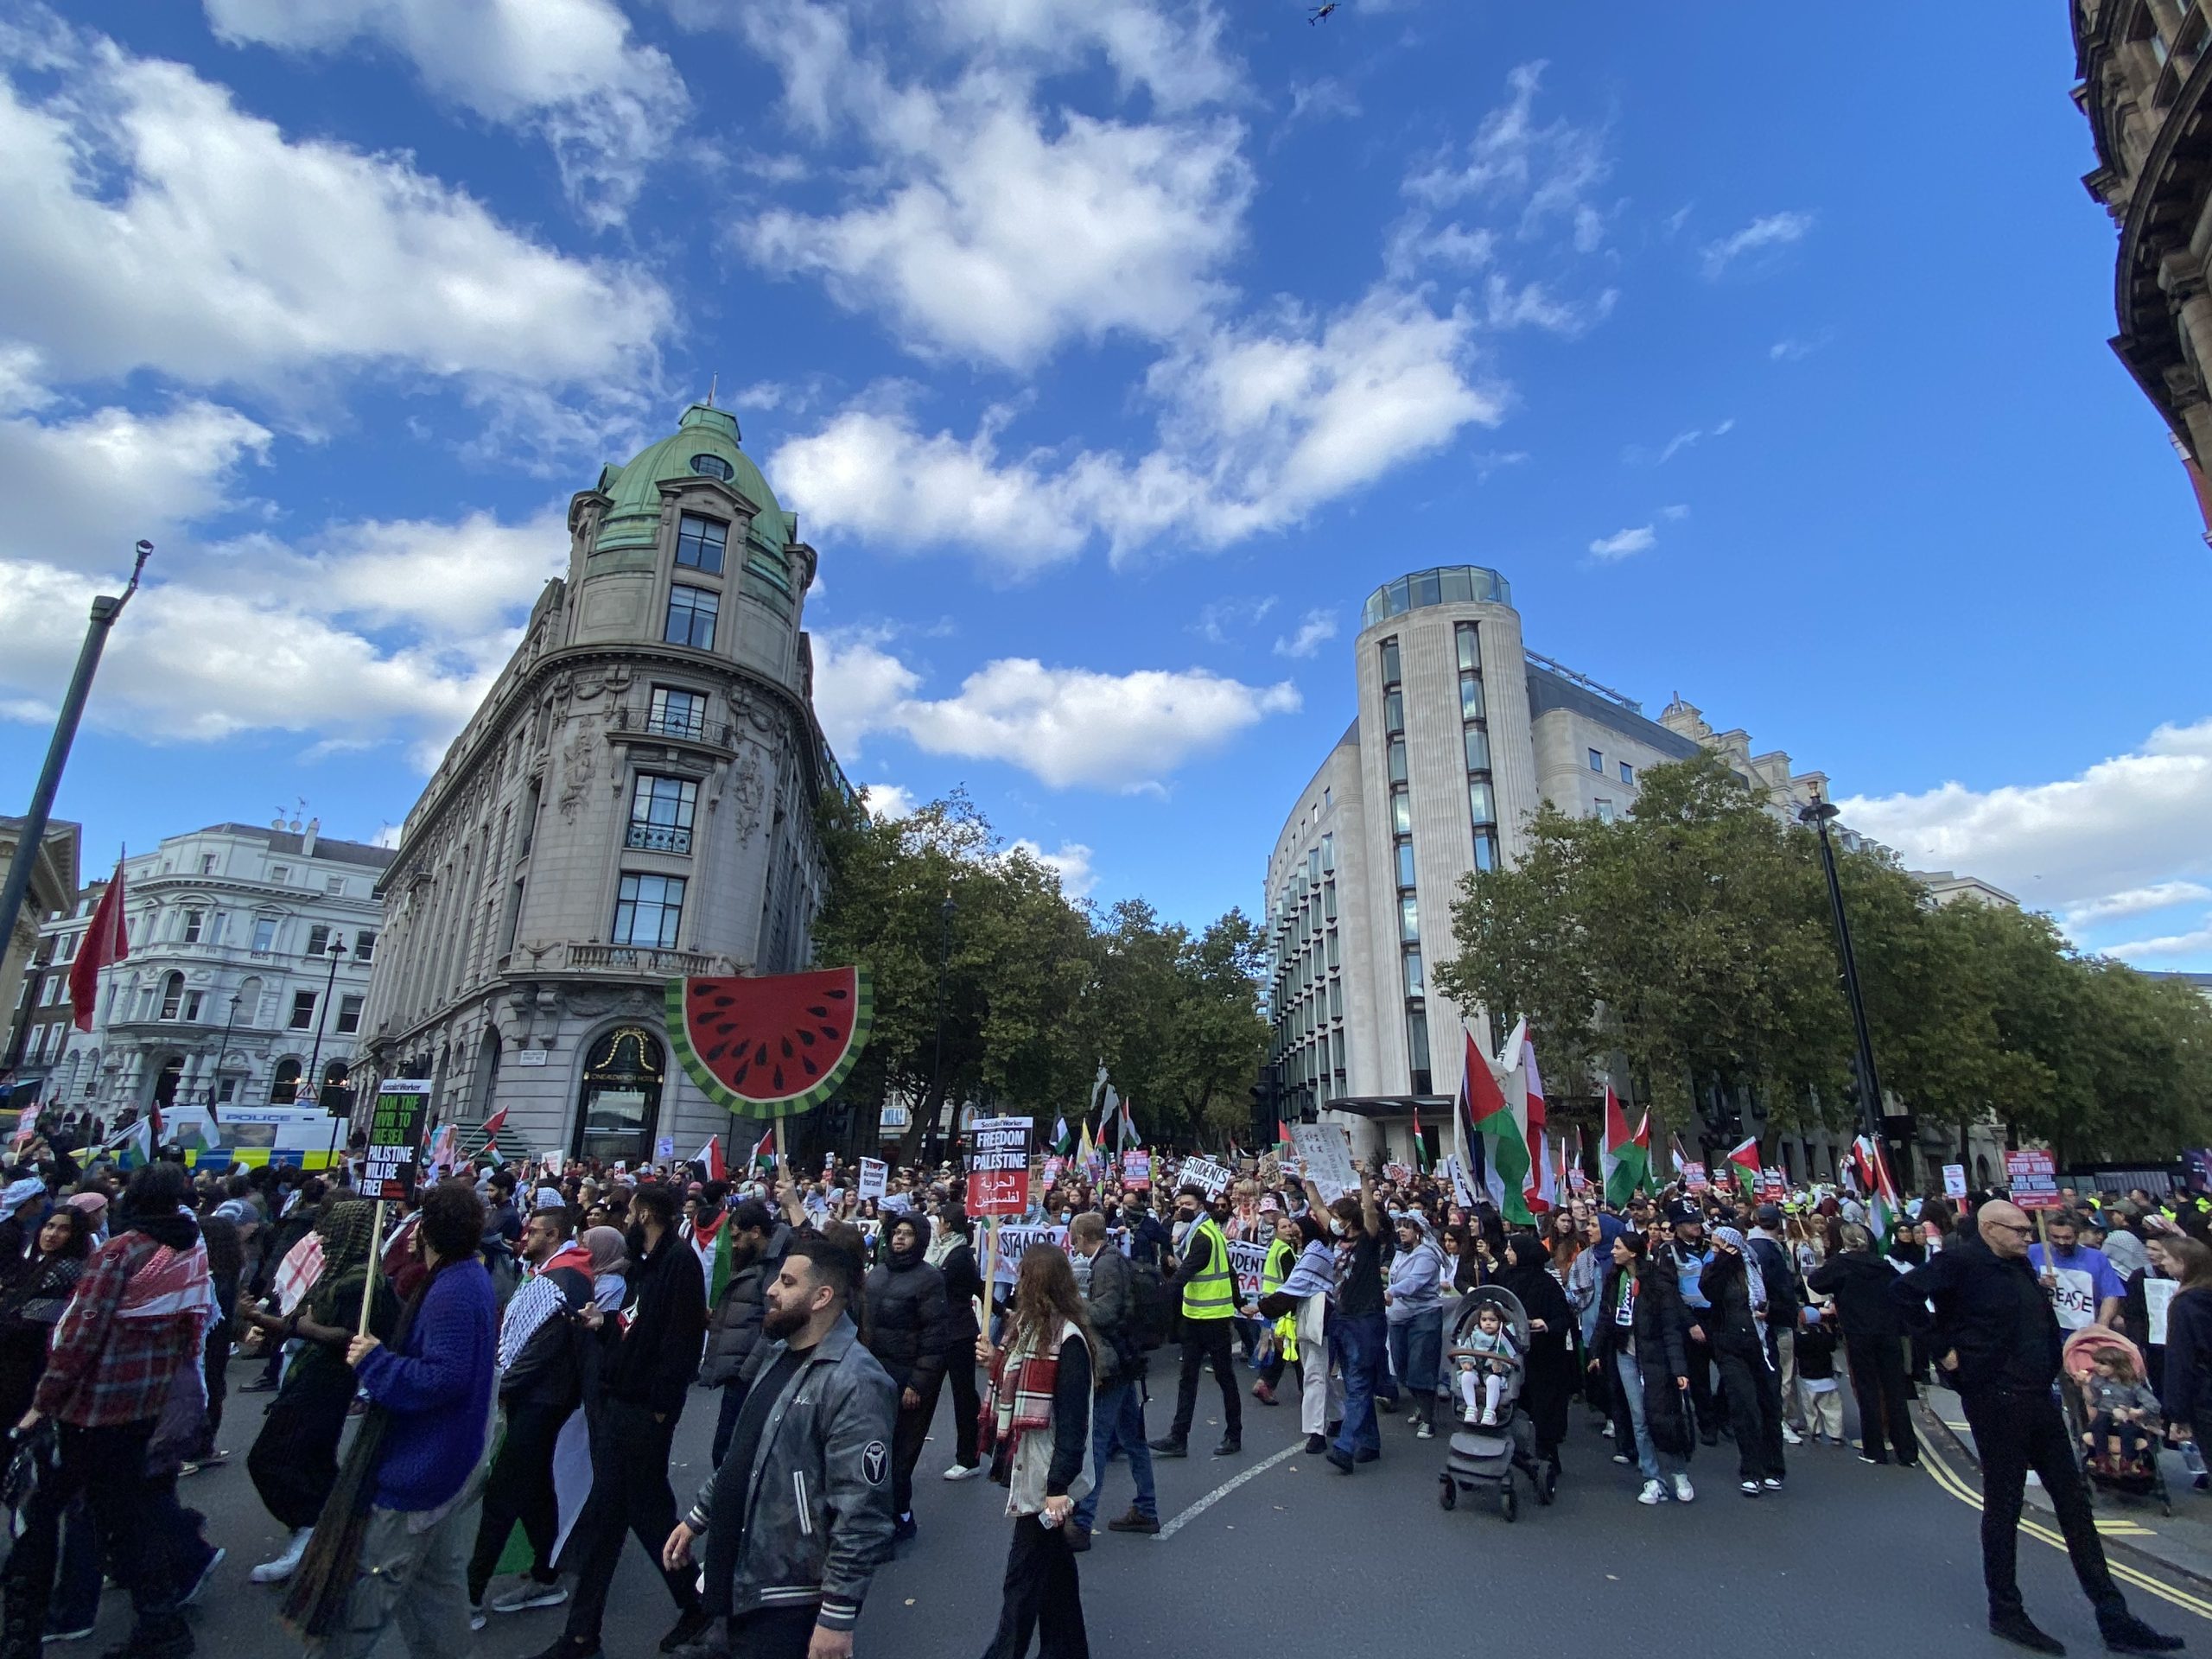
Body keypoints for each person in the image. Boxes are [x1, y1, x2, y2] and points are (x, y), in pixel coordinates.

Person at [1895, 1199, 2182, 1656]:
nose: (2030, 1239)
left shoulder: (2018, 1265)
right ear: (1990, 1229)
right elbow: (1903, 1294)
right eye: (2021, 1232)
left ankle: (2115, 1617)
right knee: (2005, 1505)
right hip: (1994, 1398)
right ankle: (2006, 1611)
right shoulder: (1960, 1261)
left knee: (2074, 1505)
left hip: (2037, 1396)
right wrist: (1943, 1352)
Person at [0, 1161, 213, 1659]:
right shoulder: (185, 1248)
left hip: (92, 1406)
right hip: (143, 1402)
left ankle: (21, 1636)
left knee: (37, 1513)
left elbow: (80, 1335)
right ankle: (161, 1627)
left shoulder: (121, 1252)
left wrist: (41, 1404)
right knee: (123, 1514)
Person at [664, 1235, 896, 1659]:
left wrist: (837, 1616)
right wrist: (699, 1516)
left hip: (791, 1597)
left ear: (822, 1296)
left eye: (787, 1282)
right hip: (741, 1580)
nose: (771, 1289)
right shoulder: (776, 1354)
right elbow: (746, 1456)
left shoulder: (856, 1380)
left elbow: (862, 1511)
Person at [311, 1179, 500, 1659]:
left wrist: (376, 1362)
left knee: (367, 1596)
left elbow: (443, 1377)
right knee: (437, 1595)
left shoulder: (454, 1289)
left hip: (423, 1469)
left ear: (424, 1233)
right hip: (448, 1461)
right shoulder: (466, 1277)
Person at [535, 1184, 709, 1659]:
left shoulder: (678, 1265)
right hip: (622, 1404)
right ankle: (582, 1635)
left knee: (647, 1516)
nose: (623, 1220)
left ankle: (699, 1605)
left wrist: (660, 1406)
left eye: (629, 1212)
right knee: (613, 1520)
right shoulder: (646, 1266)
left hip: (642, 1412)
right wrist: (603, 1324)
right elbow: (635, 1324)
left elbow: (679, 1342)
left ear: (647, 1214)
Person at [238, 1196, 400, 1585]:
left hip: (325, 1383)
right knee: (312, 1463)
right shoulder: (342, 1272)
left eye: (332, 1230)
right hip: (308, 1375)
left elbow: (348, 1336)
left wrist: (290, 1325)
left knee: (271, 1459)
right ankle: (332, 1533)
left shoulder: (361, 1282)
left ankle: (311, 1527)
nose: (323, 1238)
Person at [467, 1205, 594, 1623]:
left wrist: (501, 1386)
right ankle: (546, 1574)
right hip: (533, 1397)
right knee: (534, 1492)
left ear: (555, 1236)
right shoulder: (551, 1275)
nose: (525, 1237)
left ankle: (471, 1594)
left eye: (535, 1231)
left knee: (503, 1494)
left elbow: (544, 1347)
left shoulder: (568, 1280)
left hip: (544, 1400)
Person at [975, 1246, 1094, 1659]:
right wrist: (995, 1360)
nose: (1019, 1284)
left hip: (1045, 1476)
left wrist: (1058, 1484)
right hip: (1029, 1464)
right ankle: (1068, 1650)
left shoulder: (1069, 1340)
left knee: (1022, 1578)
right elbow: (1016, 1378)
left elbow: (1074, 1420)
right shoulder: (1025, 1327)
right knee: (1055, 1573)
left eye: (1026, 1277)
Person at [1065, 1212, 1155, 1545]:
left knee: (1097, 1442)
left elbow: (1106, 1312)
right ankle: (1147, 1508)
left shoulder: (1105, 1265)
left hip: (1113, 1363)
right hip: (1123, 1359)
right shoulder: (1110, 1259)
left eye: (1074, 1236)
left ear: (1081, 1236)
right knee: (1132, 1439)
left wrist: (1072, 1307)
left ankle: (1083, 1522)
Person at [860, 1211, 949, 1542]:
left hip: (905, 1377)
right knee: (872, 1447)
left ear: (920, 1240)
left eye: (907, 1233)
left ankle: (901, 1515)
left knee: (899, 1454)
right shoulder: (876, 1274)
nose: (899, 1238)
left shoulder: (929, 1279)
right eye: (896, 1232)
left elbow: (935, 1337)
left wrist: (918, 1383)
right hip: (871, 1374)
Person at [1589, 1229, 1694, 1506]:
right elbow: (1605, 1317)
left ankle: (1679, 1472)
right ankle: (1652, 1478)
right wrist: (1596, 1351)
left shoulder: (1658, 1284)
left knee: (1665, 1415)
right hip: (1626, 1355)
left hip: (1655, 1357)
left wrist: (1679, 1369)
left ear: (1633, 1252)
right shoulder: (1614, 1280)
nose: (1613, 1252)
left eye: (1618, 1247)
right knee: (1639, 1417)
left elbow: (1671, 1328)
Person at [1148, 1186, 1249, 1460]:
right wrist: (1240, 1303)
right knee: (1188, 1379)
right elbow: (1229, 1271)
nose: (1183, 1207)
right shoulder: (1201, 1234)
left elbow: (1183, 1275)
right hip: (1195, 1317)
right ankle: (1178, 1437)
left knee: (1223, 1377)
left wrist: (1155, 1303)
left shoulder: (1203, 1238)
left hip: (1213, 1319)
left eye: (1188, 1203)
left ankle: (1233, 1434)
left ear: (1201, 1206)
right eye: (1180, 1203)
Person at [1809, 1222, 1918, 1467]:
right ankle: (1907, 1452)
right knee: (1894, 1391)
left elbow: (1816, 1282)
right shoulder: (1883, 1265)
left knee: (1868, 1390)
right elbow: (1901, 1289)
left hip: (1859, 1333)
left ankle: (1875, 1449)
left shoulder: (1841, 1264)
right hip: (1887, 1333)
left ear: (1845, 1242)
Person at [696, 1198, 785, 1468]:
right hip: (740, 1369)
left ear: (755, 1232)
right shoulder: (751, 1262)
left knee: (731, 1454)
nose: (734, 1245)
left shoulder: (774, 1268)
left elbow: (774, 1324)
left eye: (737, 1237)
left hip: (748, 1373)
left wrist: (747, 1370)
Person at [1315, 1167, 1387, 1476]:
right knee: (1356, 1382)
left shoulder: (1368, 1241)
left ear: (1349, 1219)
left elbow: (1370, 1211)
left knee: (1358, 1383)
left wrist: (1364, 1181)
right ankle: (1368, 1443)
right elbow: (1317, 1209)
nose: (1332, 1220)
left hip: (1365, 1320)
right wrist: (1307, 1179)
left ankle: (1344, 1447)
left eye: (1337, 1216)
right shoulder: (1336, 1238)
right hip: (1342, 1319)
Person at [1704, 1226, 1785, 1496]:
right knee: (1744, 1405)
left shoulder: (1758, 1269)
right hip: (1730, 1346)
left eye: (1720, 1246)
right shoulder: (1716, 1270)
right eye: (1714, 1246)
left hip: (1761, 1345)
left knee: (1769, 1405)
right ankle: (1751, 1471)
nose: (1715, 1251)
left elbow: (1784, 1300)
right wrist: (1724, 1261)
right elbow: (1709, 1291)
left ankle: (1773, 1466)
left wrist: (1771, 1311)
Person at [0, 1206, 90, 1430]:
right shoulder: (44, 1263)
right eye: (50, 1226)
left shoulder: (65, 1270)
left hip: (28, 1367)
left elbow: (32, 1325)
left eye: (63, 1229)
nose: (52, 1234)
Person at [1492, 1229, 1575, 1470]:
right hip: (1511, 1355)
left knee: (1544, 1409)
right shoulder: (1507, 1278)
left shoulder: (1547, 1285)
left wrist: (1545, 1325)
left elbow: (1563, 1319)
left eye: (1511, 1249)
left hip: (1543, 1358)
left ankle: (1547, 1455)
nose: (1507, 1253)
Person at [1255, 1214, 1338, 1455]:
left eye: (1296, 1231)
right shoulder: (1310, 1254)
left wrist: (1260, 1308)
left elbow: (1295, 1287)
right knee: (1318, 1373)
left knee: (1313, 1374)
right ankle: (1339, 1416)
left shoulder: (1314, 1257)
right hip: (1309, 1318)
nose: (1293, 1235)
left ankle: (1316, 1433)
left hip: (1321, 1320)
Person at [929, 1205, 987, 1482]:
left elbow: (972, 1286)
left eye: (939, 1220)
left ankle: (968, 1457)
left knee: (964, 1398)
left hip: (959, 1334)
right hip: (944, 1331)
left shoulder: (960, 1255)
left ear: (948, 1225)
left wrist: (1000, 1311)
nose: (936, 1225)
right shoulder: (946, 1251)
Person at [1382, 1211, 1446, 1438]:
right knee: (1401, 1366)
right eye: (1399, 1226)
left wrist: (1392, 1291)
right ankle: (1420, 1403)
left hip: (1424, 1316)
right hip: (1398, 1317)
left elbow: (1414, 1282)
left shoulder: (1427, 1255)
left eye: (1406, 1226)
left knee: (1421, 1365)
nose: (1401, 1231)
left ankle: (1428, 1419)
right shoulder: (1400, 1254)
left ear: (1418, 1231)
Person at [2031, 1212, 2126, 1334]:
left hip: (2084, 1328)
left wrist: (2102, 1325)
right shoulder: (2033, 1253)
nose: (2061, 1242)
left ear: (2077, 1235)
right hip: (2044, 1328)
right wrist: (2039, 1283)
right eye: (2055, 1237)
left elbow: (2110, 1294)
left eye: (2067, 1238)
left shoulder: (2096, 1258)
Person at [2082, 1346, 2163, 1467]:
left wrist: (2138, 1412)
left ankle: (2128, 1461)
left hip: (2127, 1417)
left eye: (2103, 1363)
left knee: (2127, 1428)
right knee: (2100, 1422)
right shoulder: (2097, 1382)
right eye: (2097, 1362)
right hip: (2105, 1418)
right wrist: (2085, 1385)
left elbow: (2154, 1404)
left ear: (2117, 1365)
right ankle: (2101, 1457)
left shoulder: (2131, 1386)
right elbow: (2095, 1400)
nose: (2097, 1366)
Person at [1449, 1303, 1519, 1426]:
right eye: (1484, 1319)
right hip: (1475, 1372)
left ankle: (1490, 1411)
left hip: (1493, 1374)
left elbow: (1510, 1358)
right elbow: (1465, 1350)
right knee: (1466, 1376)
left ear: (1500, 1321)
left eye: (1492, 1320)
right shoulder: (1473, 1337)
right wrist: (1466, 1362)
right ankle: (1471, 1408)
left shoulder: (1502, 1339)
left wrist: (1501, 1366)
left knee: (1493, 1380)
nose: (1488, 1323)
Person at [1795, 1306, 1844, 1445]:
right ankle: (1836, 1434)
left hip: (1808, 1379)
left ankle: (1815, 1431)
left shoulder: (1801, 1336)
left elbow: (1798, 1351)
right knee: (1832, 1409)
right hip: (1828, 1378)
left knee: (1811, 1409)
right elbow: (1832, 1346)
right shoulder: (1825, 1334)